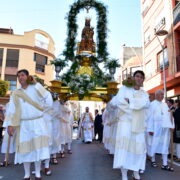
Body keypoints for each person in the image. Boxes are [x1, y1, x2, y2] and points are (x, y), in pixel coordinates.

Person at [6, 69, 53, 180]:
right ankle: (27, 174)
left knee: (38, 148)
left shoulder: (36, 88)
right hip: (24, 124)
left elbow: (48, 98)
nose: (20, 78)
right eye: (18, 76)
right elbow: (11, 110)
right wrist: (9, 125)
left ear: (28, 77)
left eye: (22, 75)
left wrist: (36, 83)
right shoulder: (16, 93)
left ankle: (37, 173)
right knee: (24, 149)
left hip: (37, 122)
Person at [108, 70, 150, 180]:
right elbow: (119, 102)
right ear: (133, 77)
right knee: (125, 149)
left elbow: (146, 104)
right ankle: (124, 174)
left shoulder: (144, 93)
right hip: (125, 124)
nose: (139, 78)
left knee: (139, 149)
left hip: (139, 125)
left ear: (142, 80)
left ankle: (136, 171)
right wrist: (136, 105)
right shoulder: (124, 89)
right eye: (137, 76)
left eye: (141, 77)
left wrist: (131, 102)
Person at [147, 90, 174, 172]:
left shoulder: (165, 104)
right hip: (155, 127)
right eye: (161, 94)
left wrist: (172, 126)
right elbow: (149, 118)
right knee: (153, 144)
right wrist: (150, 129)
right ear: (156, 95)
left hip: (165, 129)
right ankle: (153, 160)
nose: (162, 96)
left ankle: (165, 164)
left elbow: (169, 116)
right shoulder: (152, 105)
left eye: (163, 94)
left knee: (164, 145)